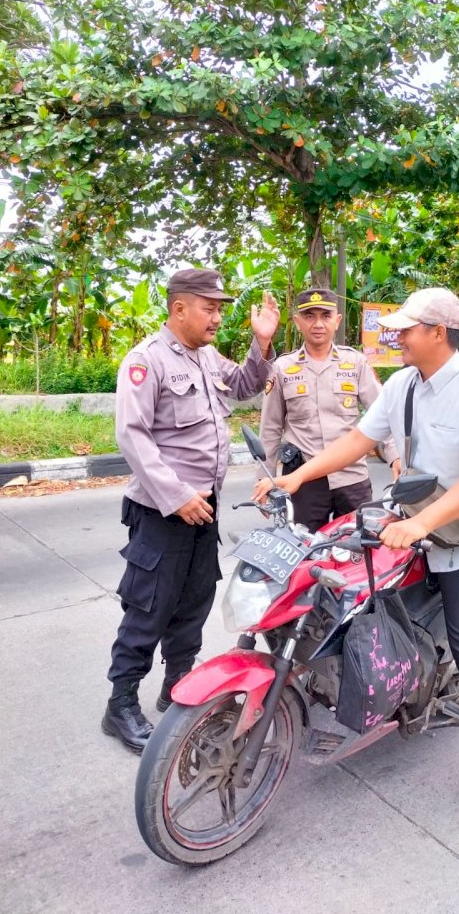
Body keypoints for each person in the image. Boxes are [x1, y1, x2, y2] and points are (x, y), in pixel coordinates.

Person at [253, 286, 459, 808]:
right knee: (345, 590)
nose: (395, 335)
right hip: (409, 517)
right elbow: (357, 441)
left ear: (438, 334)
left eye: (407, 328)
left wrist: (422, 522)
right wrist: (296, 478)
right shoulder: (403, 383)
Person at [103, 267, 280, 753]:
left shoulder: (205, 357)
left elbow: (245, 384)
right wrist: (176, 495)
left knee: (194, 602)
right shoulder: (147, 361)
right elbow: (132, 435)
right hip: (163, 511)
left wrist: (261, 343)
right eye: (210, 307)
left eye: (221, 308)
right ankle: (119, 705)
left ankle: (177, 689)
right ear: (179, 308)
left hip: (204, 510)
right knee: (148, 609)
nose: (218, 316)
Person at [258, 288, 400, 532]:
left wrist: (395, 456)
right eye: (310, 316)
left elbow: (382, 414)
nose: (318, 323)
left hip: (352, 477)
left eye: (325, 315)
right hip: (304, 481)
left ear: (337, 321)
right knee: (303, 553)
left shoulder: (355, 363)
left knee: (359, 553)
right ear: (298, 322)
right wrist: (266, 479)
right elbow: (270, 429)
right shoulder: (282, 368)